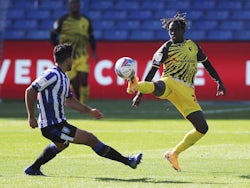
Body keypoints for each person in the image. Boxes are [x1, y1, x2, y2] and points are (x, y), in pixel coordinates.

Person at [126, 12, 226, 172]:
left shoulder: (193, 46)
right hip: (170, 82)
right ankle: (134, 85)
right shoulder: (166, 48)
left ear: (183, 30)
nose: (172, 33)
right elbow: (153, 70)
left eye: (175, 30)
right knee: (158, 87)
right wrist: (139, 94)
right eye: (170, 30)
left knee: (202, 128)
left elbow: (207, 64)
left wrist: (218, 81)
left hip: (187, 91)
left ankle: (173, 154)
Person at [24, 43, 142, 176]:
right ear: (68, 59)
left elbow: (69, 100)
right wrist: (31, 116)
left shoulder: (63, 77)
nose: (73, 61)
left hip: (58, 124)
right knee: (91, 139)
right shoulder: (52, 75)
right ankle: (128, 161)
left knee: (61, 144)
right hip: (52, 125)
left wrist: (89, 111)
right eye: (72, 58)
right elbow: (30, 90)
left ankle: (33, 168)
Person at [50, 0, 97, 104]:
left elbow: (92, 37)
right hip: (68, 57)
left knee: (84, 79)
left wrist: (94, 51)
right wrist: (58, 48)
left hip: (82, 55)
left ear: (79, 5)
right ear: (69, 6)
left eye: (76, 3)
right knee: (74, 83)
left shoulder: (86, 20)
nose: (74, 5)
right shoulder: (62, 20)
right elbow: (53, 35)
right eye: (72, 3)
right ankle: (79, 102)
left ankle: (84, 102)